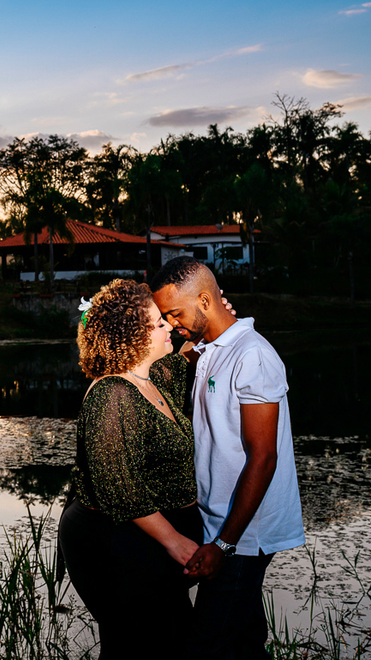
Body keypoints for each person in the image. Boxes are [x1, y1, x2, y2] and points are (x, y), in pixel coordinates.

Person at [150, 257, 304, 660]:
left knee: (204, 647)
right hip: (217, 523)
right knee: (244, 640)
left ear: (205, 300)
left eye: (175, 313)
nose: (170, 323)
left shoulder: (252, 356)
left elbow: (263, 458)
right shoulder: (208, 350)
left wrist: (224, 544)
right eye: (164, 316)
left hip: (243, 535)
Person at [58, 278, 202, 660]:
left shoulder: (153, 377)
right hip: (111, 542)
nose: (168, 326)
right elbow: (117, 487)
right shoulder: (112, 393)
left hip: (142, 539)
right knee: (137, 643)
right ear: (132, 337)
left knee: (170, 638)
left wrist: (214, 319)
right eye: (158, 323)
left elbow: (187, 354)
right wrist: (176, 542)